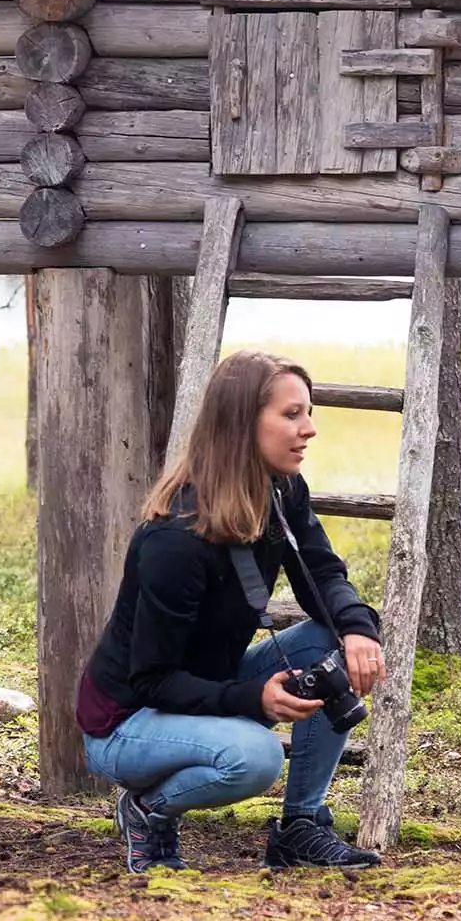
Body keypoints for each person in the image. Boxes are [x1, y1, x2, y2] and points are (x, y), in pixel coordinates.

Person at [74, 349, 386, 873]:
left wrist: (357, 629)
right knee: (257, 756)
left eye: (308, 413)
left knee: (329, 646)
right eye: (291, 415)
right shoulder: (175, 539)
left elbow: (322, 574)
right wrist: (251, 697)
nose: (308, 429)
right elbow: (151, 678)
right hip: (128, 722)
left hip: (203, 689)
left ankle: (301, 827)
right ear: (243, 423)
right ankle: (147, 809)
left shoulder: (281, 491)